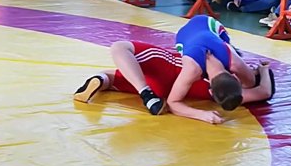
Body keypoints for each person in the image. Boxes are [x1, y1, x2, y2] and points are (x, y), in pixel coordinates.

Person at [73, 40, 274, 124]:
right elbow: (264, 92)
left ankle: (143, 92)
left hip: (166, 67)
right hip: (165, 90)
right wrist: (203, 115)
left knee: (119, 47)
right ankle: (104, 79)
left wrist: (260, 69)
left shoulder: (212, 61)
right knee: (117, 77)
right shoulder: (222, 93)